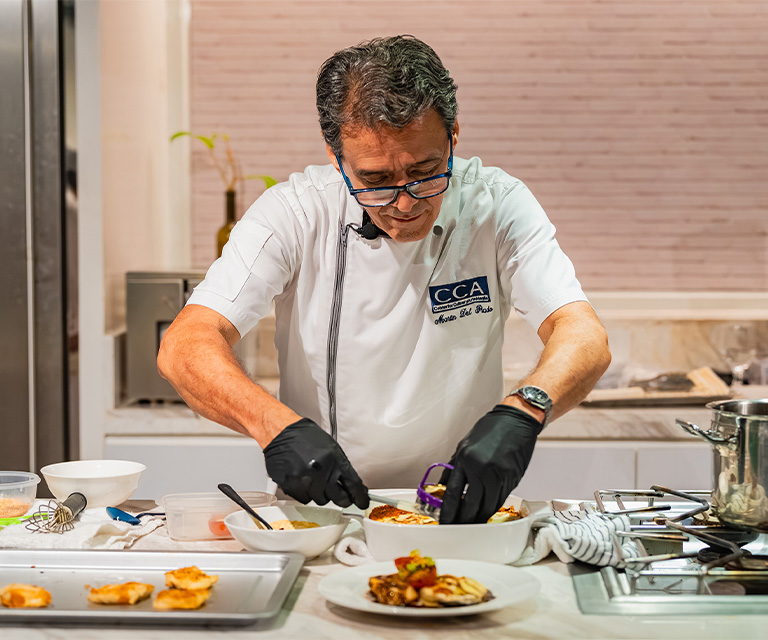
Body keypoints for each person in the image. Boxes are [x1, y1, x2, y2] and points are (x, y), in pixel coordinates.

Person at [158, 35, 611, 524]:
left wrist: (523, 412)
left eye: (426, 171)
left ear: (454, 134)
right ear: (335, 156)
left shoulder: (497, 204)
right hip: (321, 512)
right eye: (375, 181)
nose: (405, 202)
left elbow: (582, 334)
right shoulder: (293, 212)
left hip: (459, 507)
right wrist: (273, 425)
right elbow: (186, 344)